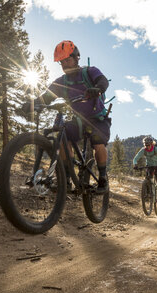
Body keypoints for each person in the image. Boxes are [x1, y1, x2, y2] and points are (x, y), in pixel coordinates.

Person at [21, 40, 111, 193]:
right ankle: (66, 179)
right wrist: (32, 104)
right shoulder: (62, 82)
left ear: (76, 57)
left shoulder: (90, 72)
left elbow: (102, 81)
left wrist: (98, 89)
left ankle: (103, 179)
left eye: (68, 60)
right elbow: (47, 96)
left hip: (98, 119)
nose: (65, 65)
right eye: (62, 62)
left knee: (97, 141)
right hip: (78, 121)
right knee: (62, 137)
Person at [133, 136, 157, 202]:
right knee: (147, 179)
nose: (147, 146)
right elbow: (135, 158)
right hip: (149, 166)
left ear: (151, 144)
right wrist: (135, 164)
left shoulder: (156, 149)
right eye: (146, 145)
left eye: (148, 145)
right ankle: (148, 195)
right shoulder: (143, 150)